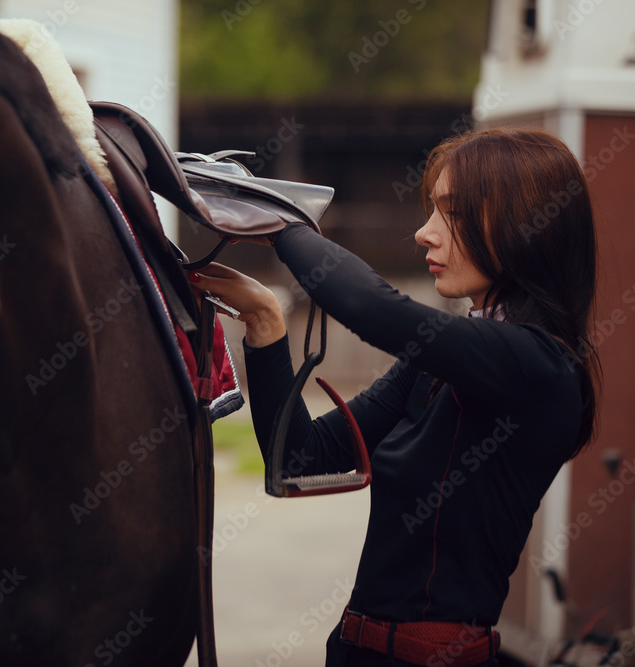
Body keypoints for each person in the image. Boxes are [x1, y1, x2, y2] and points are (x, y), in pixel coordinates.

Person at [187, 128, 600, 667]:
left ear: (524, 224)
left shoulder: (542, 366)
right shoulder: (437, 365)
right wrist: (266, 321)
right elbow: (300, 459)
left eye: (450, 212)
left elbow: (373, 308)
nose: (424, 233)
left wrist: (281, 220)